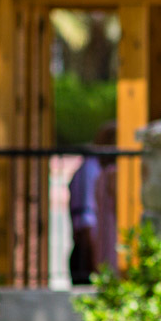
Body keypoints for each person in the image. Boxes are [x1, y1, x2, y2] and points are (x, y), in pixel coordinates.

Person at [68, 122, 115, 285]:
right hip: (88, 253)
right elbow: (85, 222)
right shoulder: (91, 170)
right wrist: (95, 262)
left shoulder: (103, 169)